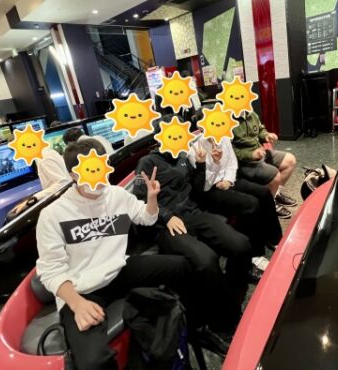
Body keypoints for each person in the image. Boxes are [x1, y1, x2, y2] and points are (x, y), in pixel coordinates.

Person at [36, 139, 225, 370]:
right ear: (73, 175)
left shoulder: (116, 195)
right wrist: (76, 304)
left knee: (186, 266)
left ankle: (195, 327)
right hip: (82, 289)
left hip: (119, 269)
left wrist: (152, 198)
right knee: (93, 362)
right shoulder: (52, 214)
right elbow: (50, 270)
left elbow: (146, 217)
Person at [133, 144, 253, 335]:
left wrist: (201, 165)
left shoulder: (182, 156)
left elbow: (196, 190)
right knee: (206, 260)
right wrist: (166, 216)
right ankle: (223, 323)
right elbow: (139, 200)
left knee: (241, 245)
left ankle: (232, 295)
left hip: (192, 213)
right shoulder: (146, 162)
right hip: (165, 225)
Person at [188, 135, 282, 274]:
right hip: (210, 189)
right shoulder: (195, 148)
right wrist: (216, 163)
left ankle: (274, 238)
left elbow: (232, 164)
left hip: (228, 180)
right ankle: (254, 254)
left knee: (263, 192)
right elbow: (203, 185)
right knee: (250, 204)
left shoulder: (223, 137)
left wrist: (228, 180)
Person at [231, 110, 298, 219]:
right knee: (274, 175)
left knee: (290, 160)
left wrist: (267, 135)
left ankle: (276, 195)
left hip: (260, 152)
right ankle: (270, 204)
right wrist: (251, 154)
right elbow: (229, 151)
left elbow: (260, 130)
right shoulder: (227, 120)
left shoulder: (250, 113)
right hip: (243, 162)